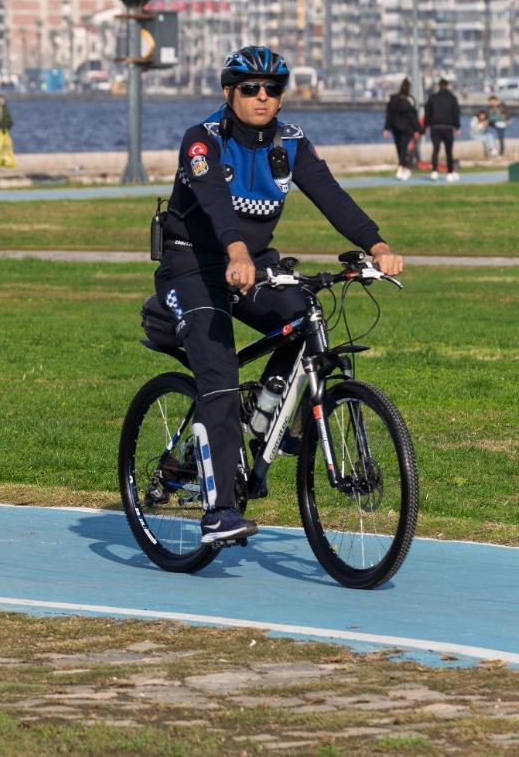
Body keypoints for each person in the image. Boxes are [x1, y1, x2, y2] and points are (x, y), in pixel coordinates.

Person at [154, 46, 403, 546]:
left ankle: (264, 408)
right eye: (250, 88)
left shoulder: (291, 143)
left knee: (304, 315)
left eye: (273, 89)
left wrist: (375, 245)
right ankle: (220, 511)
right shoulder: (203, 141)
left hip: (252, 263)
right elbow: (217, 207)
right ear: (230, 93)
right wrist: (238, 252)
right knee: (220, 377)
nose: (262, 97)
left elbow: (331, 195)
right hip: (193, 265)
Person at [422, 77, 461, 181]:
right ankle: (450, 173)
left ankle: (434, 171)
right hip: (448, 128)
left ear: (438, 86)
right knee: (449, 151)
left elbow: (427, 114)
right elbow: (456, 113)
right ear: (447, 86)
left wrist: (426, 126)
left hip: (435, 127)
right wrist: (457, 127)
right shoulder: (452, 98)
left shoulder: (433, 98)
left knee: (435, 150)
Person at [381, 79, 420, 181]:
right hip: (406, 128)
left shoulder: (393, 100)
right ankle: (401, 168)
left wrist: (387, 128)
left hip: (395, 127)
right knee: (403, 148)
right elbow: (413, 116)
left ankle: (403, 167)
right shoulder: (410, 100)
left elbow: (389, 115)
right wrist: (417, 129)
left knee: (400, 148)